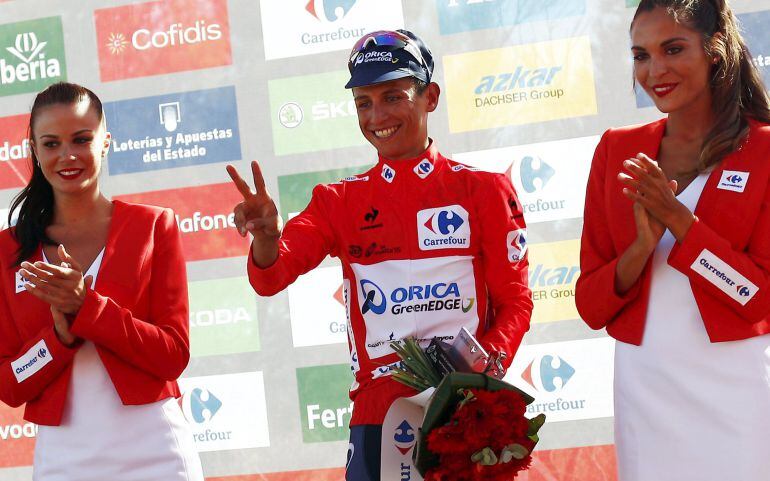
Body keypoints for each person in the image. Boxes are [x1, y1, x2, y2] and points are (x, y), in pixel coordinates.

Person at [227, 30, 532, 481]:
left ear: (430, 97)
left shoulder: (483, 190)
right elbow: (270, 278)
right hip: (377, 415)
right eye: (363, 103)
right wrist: (267, 239)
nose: (377, 116)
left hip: (465, 415)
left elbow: (515, 303)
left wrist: (479, 374)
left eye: (392, 97)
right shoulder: (338, 200)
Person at [576, 1, 770, 480]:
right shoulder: (616, 149)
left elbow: (756, 297)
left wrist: (679, 222)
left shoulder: (765, 148)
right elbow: (591, 305)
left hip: (738, 389)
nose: (654, 70)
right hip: (645, 386)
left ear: (715, 51)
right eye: (641, 55)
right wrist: (642, 249)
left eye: (673, 49)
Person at [0, 83, 203, 480]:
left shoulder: (153, 226)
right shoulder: (8, 251)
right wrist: (58, 339)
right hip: (64, 463)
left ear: (105, 142)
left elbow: (172, 355)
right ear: (35, 152)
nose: (67, 155)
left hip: (157, 454)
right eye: (51, 143)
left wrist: (88, 308)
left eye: (81, 139)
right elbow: (10, 383)